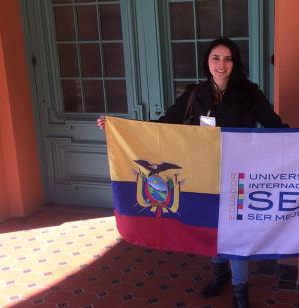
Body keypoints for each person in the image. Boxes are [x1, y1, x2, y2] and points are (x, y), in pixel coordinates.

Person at [99, 37, 285, 308]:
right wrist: (119, 128)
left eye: (228, 58)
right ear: (207, 62)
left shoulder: (249, 92)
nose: (221, 64)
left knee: (235, 230)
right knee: (212, 224)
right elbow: (163, 127)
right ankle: (220, 273)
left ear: (235, 63)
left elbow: (275, 126)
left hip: (237, 172)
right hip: (203, 174)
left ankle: (240, 289)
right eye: (215, 58)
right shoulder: (195, 94)